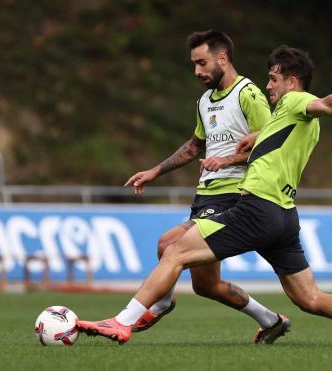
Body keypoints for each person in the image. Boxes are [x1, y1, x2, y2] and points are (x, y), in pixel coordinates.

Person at [79, 45, 332, 347]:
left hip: (257, 208)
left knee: (175, 251)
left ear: (292, 82)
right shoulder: (289, 118)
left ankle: (122, 323)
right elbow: (278, 139)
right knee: (310, 298)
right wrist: (234, 153)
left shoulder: (295, 101)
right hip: (284, 217)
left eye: (273, 79)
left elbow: (324, 104)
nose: (268, 85)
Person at [123, 30, 289, 344]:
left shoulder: (248, 94)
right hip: (204, 196)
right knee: (207, 286)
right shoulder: (205, 101)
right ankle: (272, 320)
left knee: (168, 244)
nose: (197, 71)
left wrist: (228, 161)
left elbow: (271, 142)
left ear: (222, 58)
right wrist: (154, 171)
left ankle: (159, 303)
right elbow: (194, 146)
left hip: (234, 196)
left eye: (202, 63)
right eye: (194, 64)